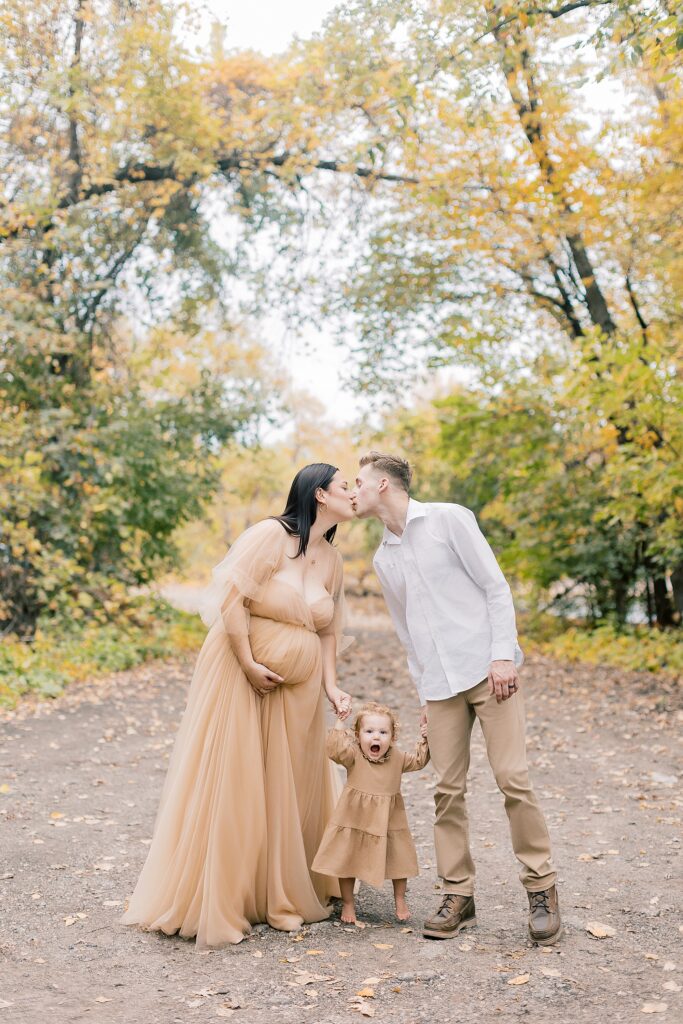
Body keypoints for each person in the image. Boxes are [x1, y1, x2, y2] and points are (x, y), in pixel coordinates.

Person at [122, 464, 355, 947]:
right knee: (244, 780)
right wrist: (248, 662)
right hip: (244, 677)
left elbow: (328, 631)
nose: (353, 493)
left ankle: (281, 889)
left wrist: (333, 686)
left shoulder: (332, 559)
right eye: (345, 486)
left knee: (288, 781)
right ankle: (235, 892)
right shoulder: (271, 535)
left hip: (303, 689)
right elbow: (231, 600)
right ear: (319, 495)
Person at [351, 452, 561, 945]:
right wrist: (424, 689)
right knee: (447, 790)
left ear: (383, 484)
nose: (352, 490)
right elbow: (406, 631)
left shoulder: (449, 519)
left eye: (358, 482)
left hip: (489, 672)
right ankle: (457, 893)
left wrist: (503, 656)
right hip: (439, 685)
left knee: (513, 779)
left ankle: (542, 888)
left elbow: (495, 588)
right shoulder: (384, 557)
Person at [312, 701, 430, 925]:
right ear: (357, 736)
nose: (376, 737)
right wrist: (340, 720)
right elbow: (333, 750)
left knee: (399, 859)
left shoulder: (397, 757)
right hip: (354, 818)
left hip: (388, 821)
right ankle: (348, 902)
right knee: (347, 859)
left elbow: (419, 761)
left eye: (383, 732)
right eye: (369, 731)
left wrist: (425, 738)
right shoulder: (353, 755)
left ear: (392, 737)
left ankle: (400, 898)